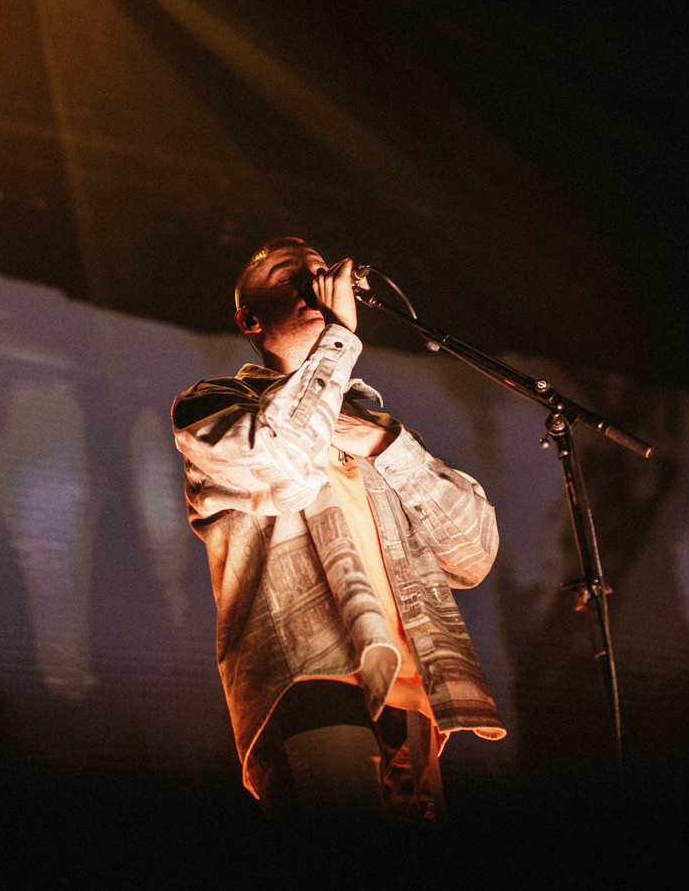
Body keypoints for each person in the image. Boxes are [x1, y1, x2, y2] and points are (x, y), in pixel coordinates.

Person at [171, 238, 505, 824]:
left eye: (321, 272)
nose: (313, 282)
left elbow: (472, 554)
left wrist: (388, 444)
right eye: (287, 275)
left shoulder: (376, 426)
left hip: (413, 708)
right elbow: (283, 466)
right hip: (309, 684)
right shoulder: (213, 406)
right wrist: (339, 343)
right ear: (249, 319)